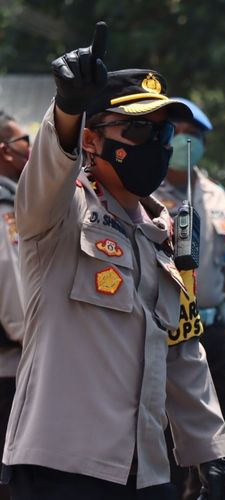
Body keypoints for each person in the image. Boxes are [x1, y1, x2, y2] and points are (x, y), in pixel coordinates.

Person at [0, 23, 225, 499]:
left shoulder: (163, 232)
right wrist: (67, 109)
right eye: (137, 129)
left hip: (145, 470)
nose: (157, 143)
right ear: (90, 140)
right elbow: (49, 167)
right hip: (61, 470)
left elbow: (182, 350)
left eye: (163, 131)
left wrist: (211, 453)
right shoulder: (59, 216)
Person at [153, 98, 225, 497]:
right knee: (171, 445)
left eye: (195, 136)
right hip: (167, 333)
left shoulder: (218, 197)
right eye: (178, 133)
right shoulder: (142, 193)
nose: (187, 142)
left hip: (214, 333)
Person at [0, 110, 30, 500]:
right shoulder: (5, 202)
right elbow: (9, 274)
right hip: (9, 367)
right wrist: (31, 339)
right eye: (25, 143)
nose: (30, 151)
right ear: (5, 151)